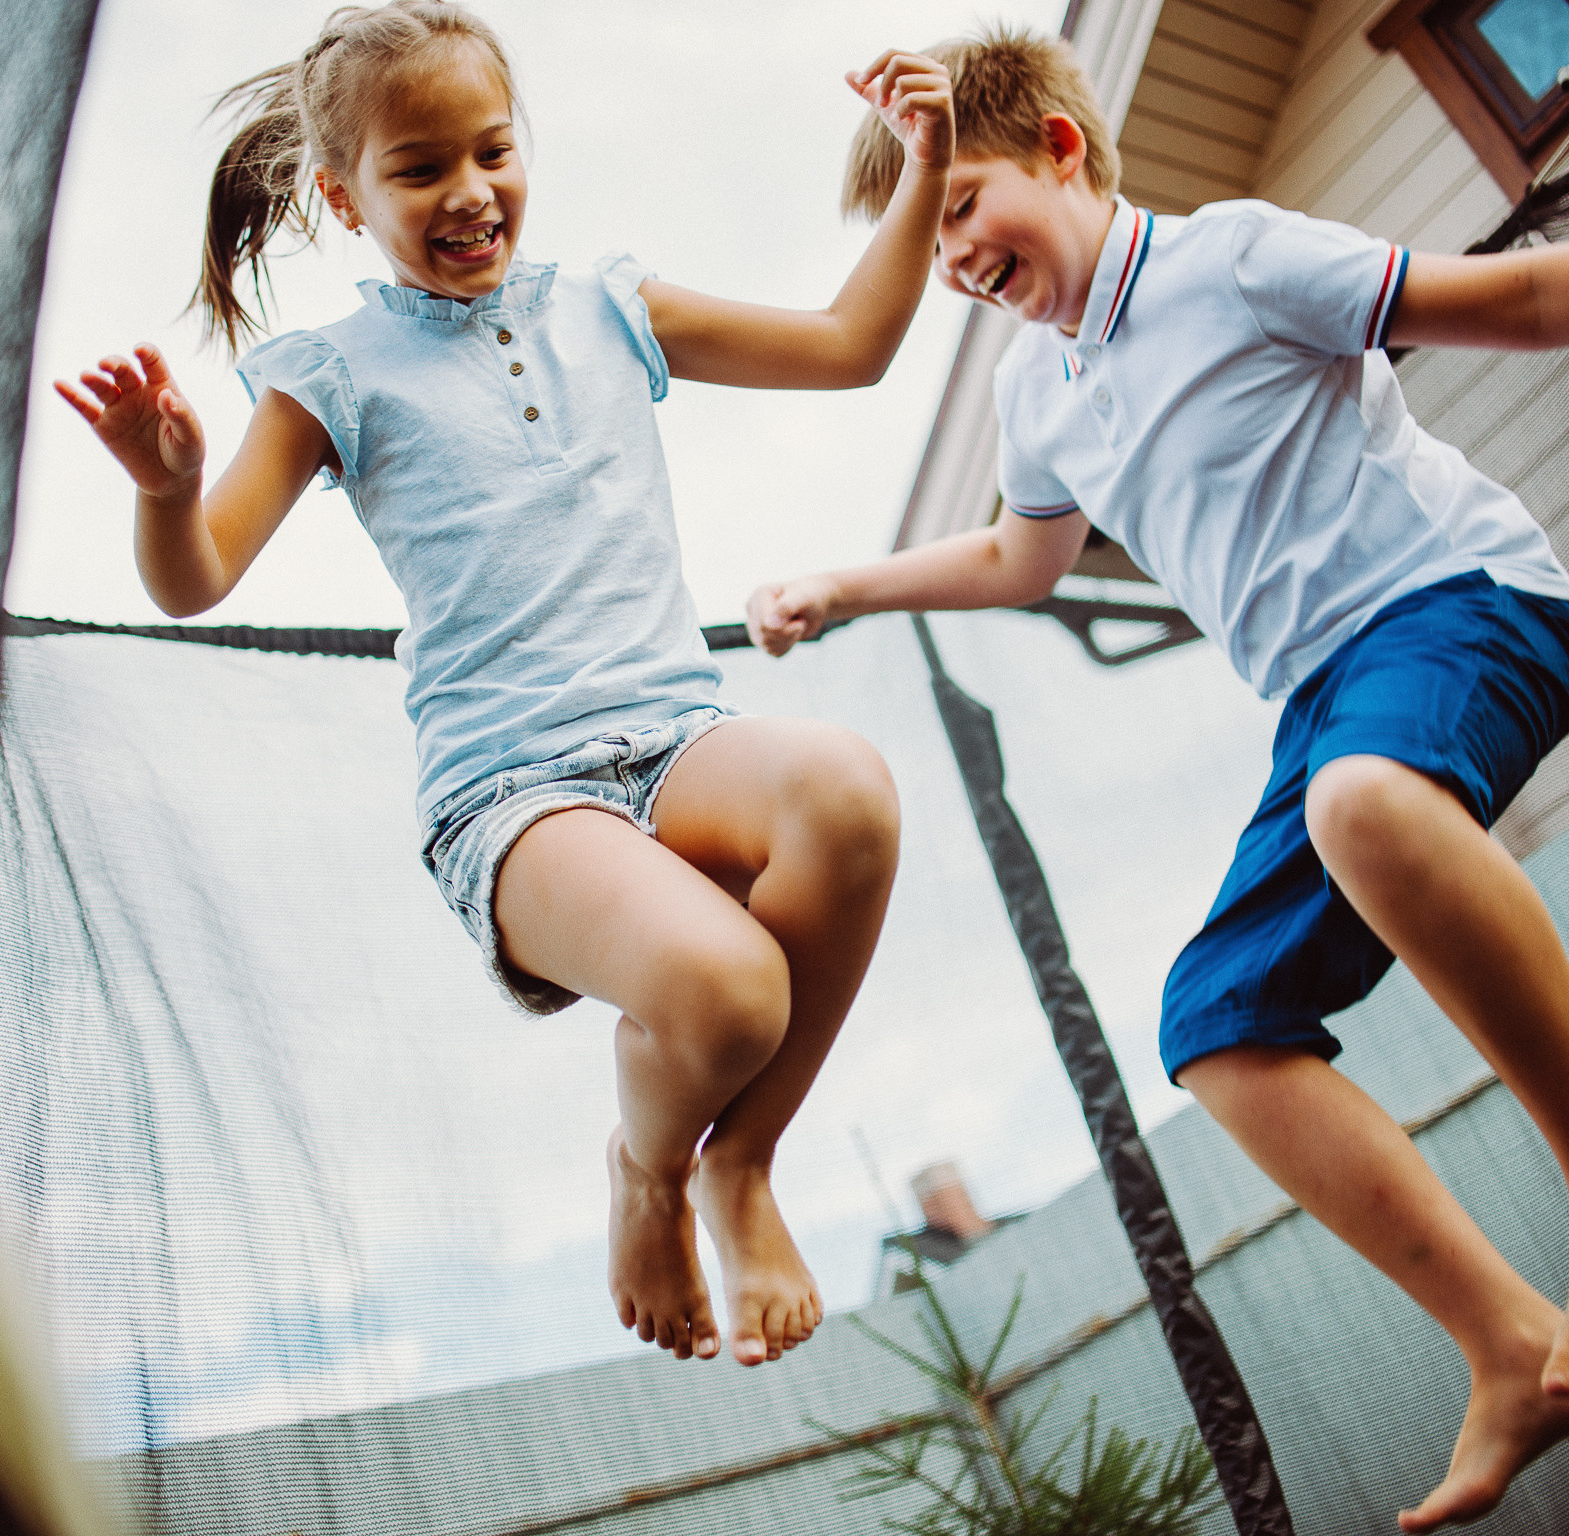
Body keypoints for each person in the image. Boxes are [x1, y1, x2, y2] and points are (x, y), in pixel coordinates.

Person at [746, 24, 1569, 1530]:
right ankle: (1506, 1344)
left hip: (1466, 604)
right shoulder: (1037, 396)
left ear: (1062, 150)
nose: (948, 258)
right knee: (1216, 1027)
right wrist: (845, 587)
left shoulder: (1233, 258)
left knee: (1361, 802)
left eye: (959, 205)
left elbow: (1511, 297)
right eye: (918, 241)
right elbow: (1019, 557)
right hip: (1323, 704)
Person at [56, 0, 957, 1371]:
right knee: (728, 996)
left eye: (492, 151)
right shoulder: (331, 377)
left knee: (849, 789)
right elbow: (198, 577)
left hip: (679, 737)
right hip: (512, 794)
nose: (470, 192)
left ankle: (739, 1162)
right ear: (344, 199)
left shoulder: (612, 308)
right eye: (419, 170)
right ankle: (648, 1173)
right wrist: (167, 490)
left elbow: (851, 346)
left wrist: (926, 165)